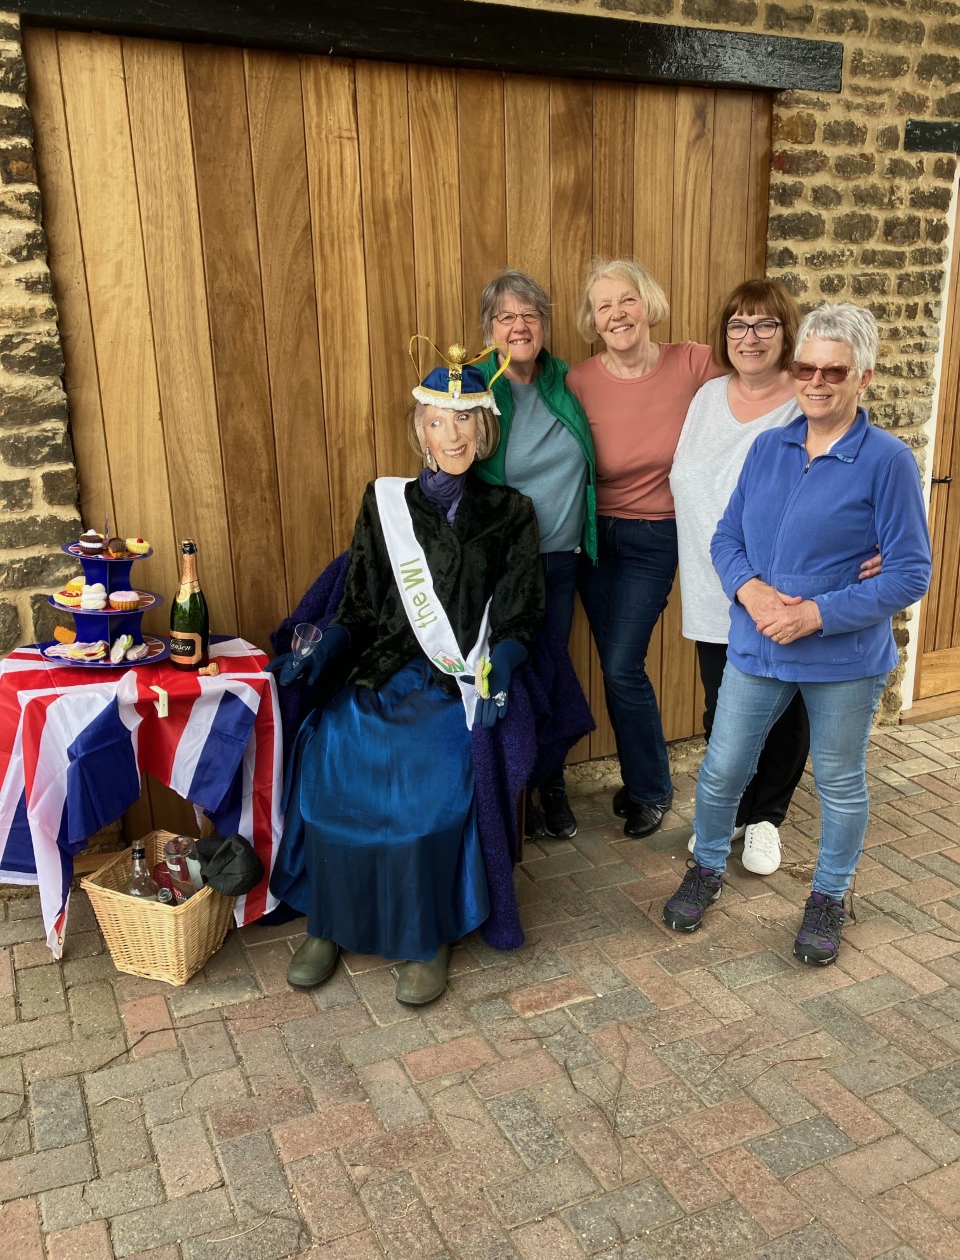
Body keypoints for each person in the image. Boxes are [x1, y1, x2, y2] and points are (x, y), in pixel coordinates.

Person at [268, 346, 544, 1005]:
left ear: (485, 430)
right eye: (436, 422)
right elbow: (360, 604)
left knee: (431, 780)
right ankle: (329, 921)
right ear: (418, 430)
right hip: (384, 668)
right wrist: (322, 652)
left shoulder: (512, 513)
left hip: (454, 681)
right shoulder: (384, 502)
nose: (450, 436)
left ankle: (428, 934)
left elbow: (520, 613)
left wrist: (500, 668)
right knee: (335, 750)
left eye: (464, 422)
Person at [662, 303, 931, 966]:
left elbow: (910, 571)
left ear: (862, 377)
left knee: (839, 781)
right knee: (723, 768)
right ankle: (706, 868)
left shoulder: (886, 462)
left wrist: (817, 614)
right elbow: (726, 538)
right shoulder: (769, 446)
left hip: (842, 657)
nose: (815, 381)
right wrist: (750, 591)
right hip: (756, 644)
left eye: (832, 371)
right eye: (805, 366)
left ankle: (829, 897)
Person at [670, 279, 881, 877]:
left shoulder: (810, 392)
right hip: (721, 583)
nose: (751, 337)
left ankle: (768, 816)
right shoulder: (708, 397)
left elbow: (864, 469)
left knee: (788, 717)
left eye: (765, 325)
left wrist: (883, 548)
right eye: (739, 325)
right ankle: (730, 811)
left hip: (790, 596)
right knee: (727, 710)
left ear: (787, 334)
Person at [567, 257, 722, 839]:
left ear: (647, 302)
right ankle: (640, 780)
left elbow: (764, 393)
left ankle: (653, 788)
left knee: (620, 663)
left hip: (656, 536)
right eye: (603, 306)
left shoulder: (693, 362)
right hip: (591, 539)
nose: (616, 313)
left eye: (625, 299)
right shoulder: (579, 381)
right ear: (593, 320)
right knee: (616, 668)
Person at [474, 269, 597, 841]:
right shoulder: (473, 387)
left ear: (544, 326)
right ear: (488, 329)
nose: (519, 326)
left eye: (530, 316)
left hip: (561, 556)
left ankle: (551, 784)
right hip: (503, 562)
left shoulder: (569, 380)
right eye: (507, 317)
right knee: (509, 669)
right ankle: (513, 790)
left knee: (552, 667)